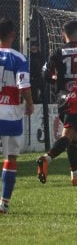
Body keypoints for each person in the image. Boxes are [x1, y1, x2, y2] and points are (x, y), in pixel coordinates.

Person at [36, 20, 77, 186]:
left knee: (74, 136)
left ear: (62, 34)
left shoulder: (58, 51)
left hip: (62, 99)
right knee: (68, 136)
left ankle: (75, 173)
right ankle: (46, 158)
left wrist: (58, 79)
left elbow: (45, 74)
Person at [0, 18, 35, 214]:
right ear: (12, 34)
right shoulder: (19, 58)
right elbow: (23, 85)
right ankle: (4, 202)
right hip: (10, 114)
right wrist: (29, 104)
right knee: (11, 157)